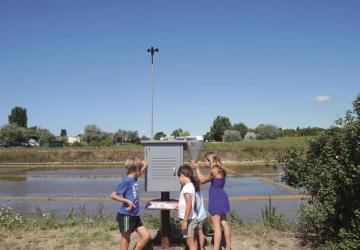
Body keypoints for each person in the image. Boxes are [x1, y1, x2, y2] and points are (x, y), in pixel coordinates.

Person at [192, 152, 231, 250]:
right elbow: (205, 178)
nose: (204, 162)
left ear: (209, 161)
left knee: (216, 226)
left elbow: (202, 180)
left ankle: (216, 248)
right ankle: (228, 247)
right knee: (224, 223)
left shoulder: (214, 170)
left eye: (205, 160)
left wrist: (196, 168)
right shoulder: (221, 169)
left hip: (216, 199)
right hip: (222, 197)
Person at [110, 156, 151, 250]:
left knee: (146, 236)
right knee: (126, 240)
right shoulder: (126, 181)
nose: (141, 171)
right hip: (126, 215)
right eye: (139, 169)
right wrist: (126, 200)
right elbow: (112, 195)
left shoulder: (135, 177)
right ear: (134, 169)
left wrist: (140, 161)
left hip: (135, 215)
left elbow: (145, 163)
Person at [177, 164, 197, 250]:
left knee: (190, 242)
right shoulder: (190, 186)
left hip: (188, 219)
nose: (179, 180)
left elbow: (189, 204)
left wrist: (185, 221)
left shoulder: (186, 188)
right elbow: (186, 203)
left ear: (182, 175)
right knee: (190, 240)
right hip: (188, 218)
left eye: (179, 177)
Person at [194, 179, 208, 250]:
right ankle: (202, 247)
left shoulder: (193, 195)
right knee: (200, 232)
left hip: (196, 217)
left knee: (194, 234)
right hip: (202, 215)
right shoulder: (199, 193)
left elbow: (194, 207)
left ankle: (196, 248)